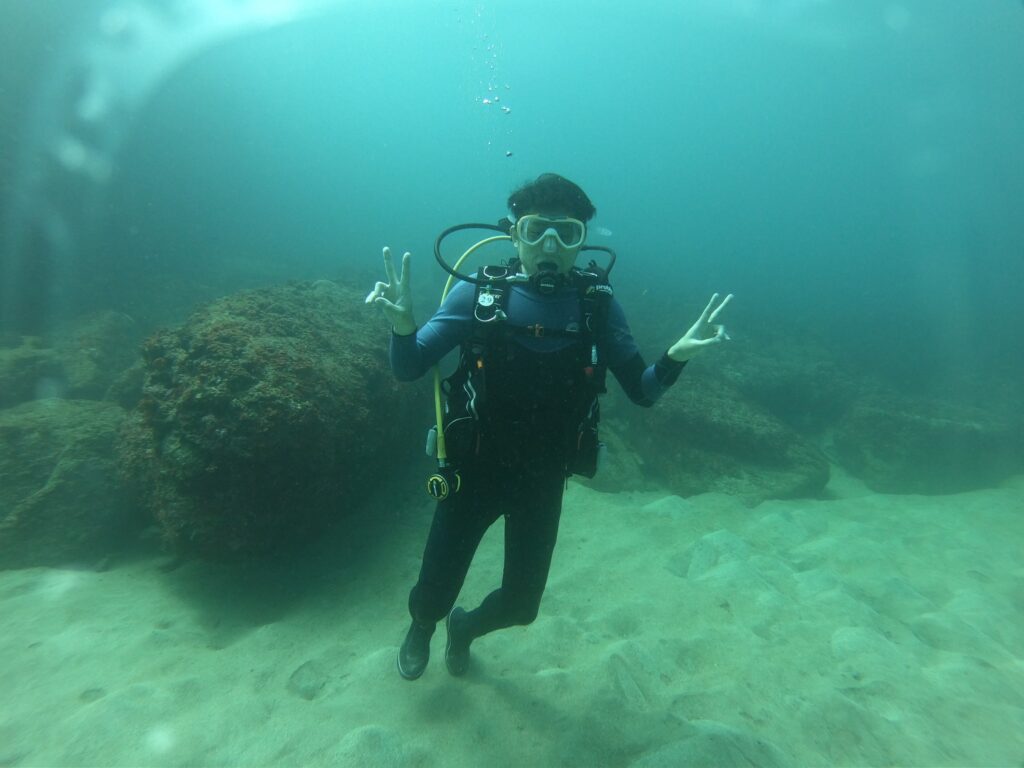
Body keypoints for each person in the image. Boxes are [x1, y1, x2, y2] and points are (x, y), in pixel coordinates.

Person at [365, 173, 732, 680]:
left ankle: (464, 628)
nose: (551, 246)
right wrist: (403, 327)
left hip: (543, 478)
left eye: (568, 233)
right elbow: (409, 367)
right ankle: (423, 625)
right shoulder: (479, 295)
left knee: (522, 606)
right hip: (473, 470)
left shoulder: (597, 308)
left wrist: (676, 357)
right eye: (536, 231)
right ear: (513, 234)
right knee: (433, 592)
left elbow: (643, 391)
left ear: (583, 242)